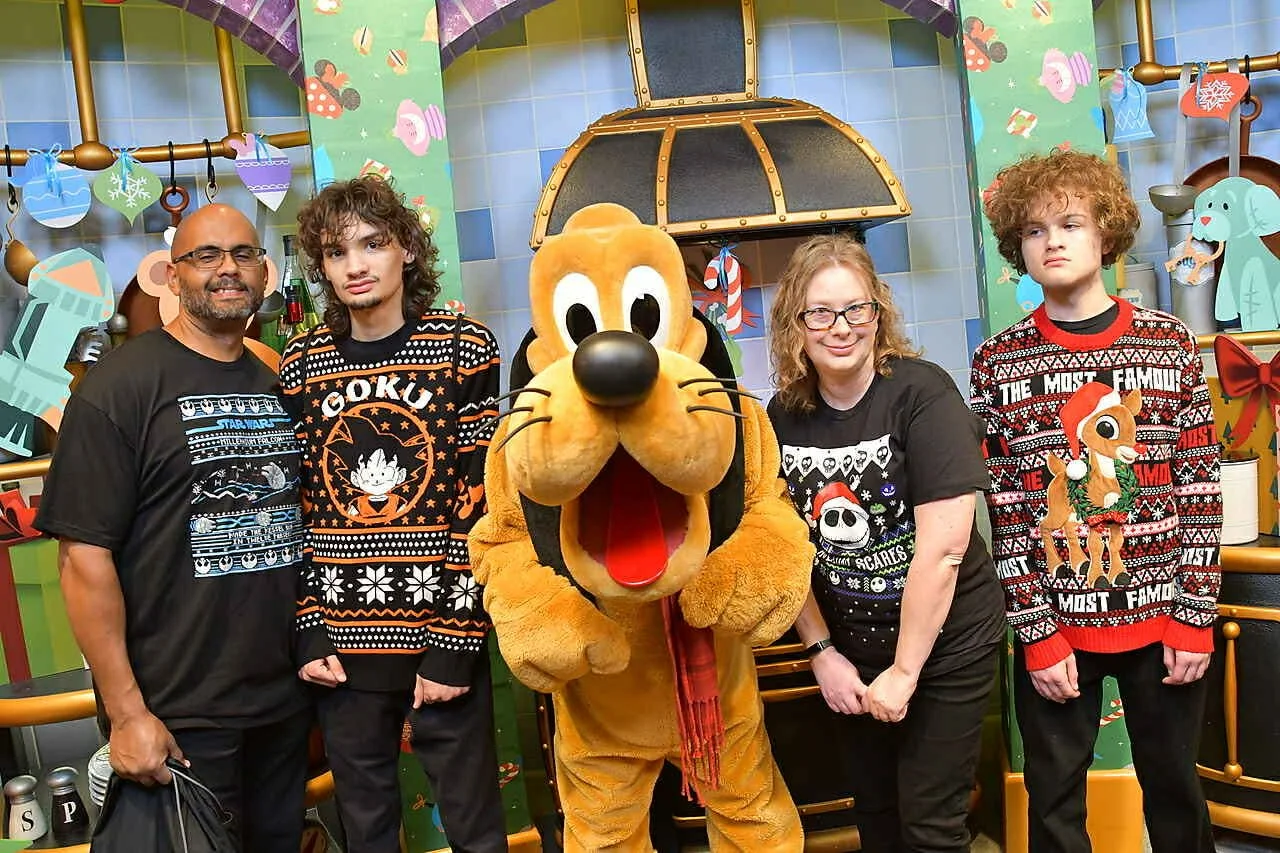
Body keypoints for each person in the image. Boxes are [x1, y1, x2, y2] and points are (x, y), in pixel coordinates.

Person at [35, 204, 312, 852]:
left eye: (243, 254)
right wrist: (128, 713)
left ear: (264, 273)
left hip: (284, 703)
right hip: (178, 715)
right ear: (172, 276)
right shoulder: (118, 389)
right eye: (206, 255)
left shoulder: (277, 377)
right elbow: (83, 559)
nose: (227, 269)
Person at [971, 149, 1221, 853]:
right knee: (1052, 807)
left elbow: (1199, 488)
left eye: (1069, 222)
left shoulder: (1169, 345)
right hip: (1057, 632)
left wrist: (1194, 616)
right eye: (1032, 230)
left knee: (1176, 792)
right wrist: (1036, 631)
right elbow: (1008, 514)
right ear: (1018, 247)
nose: (1050, 240)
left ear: (1105, 234)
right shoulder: (996, 362)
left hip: (1164, 623)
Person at [282, 175, 506, 853]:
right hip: (342, 653)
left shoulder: (464, 346)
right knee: (369, 833)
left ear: (406, 249)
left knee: (475, 832)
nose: (355, 264)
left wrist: (455, 640)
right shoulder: (301, 363)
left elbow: (483, 505)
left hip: (441, 640)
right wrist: (308, 628)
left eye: (372, 244)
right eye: (335, 251)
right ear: (321, 267)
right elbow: (293, 506)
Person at [766, 234, 1006, 853]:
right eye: (820, 312)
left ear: (879, 313)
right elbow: (781, 546)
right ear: (796, 322)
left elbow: (946, 547)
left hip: (946, 649)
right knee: (876, 818)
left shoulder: (922, 393)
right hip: (852, 652)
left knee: (930, 826)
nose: (840, 327)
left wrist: (904, 671)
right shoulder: (783, 416)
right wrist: (822, 653)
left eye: (856, 309)